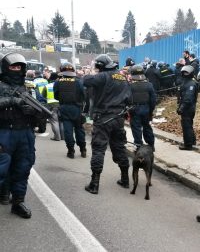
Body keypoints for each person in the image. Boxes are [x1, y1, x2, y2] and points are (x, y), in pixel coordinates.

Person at [0, 52, 45, 218]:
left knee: (23, 168)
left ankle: (18, 202)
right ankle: (4, 192)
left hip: (25, 133)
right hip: (4, 132)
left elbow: (42, 106)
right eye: (13, 66)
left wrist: (32, 111)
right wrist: (12, 101)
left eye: (19, 67)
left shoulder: (29, 87)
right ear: (6, 68)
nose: (16, 69)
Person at [83, 54, 132, 194]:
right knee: (119, 147)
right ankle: (125, 179)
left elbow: (85, 81)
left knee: (99, 149)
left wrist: (91, 72)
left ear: (99, 66)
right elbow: (130, 99)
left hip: (103, 118)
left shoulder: (102, 76)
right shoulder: (122, 77)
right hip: (118, 119)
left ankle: (94, 183)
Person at [53, 62, 87, 158]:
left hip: (64, 108)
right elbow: (84, 95)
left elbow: (56, 96)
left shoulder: (58, 81)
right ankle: (83, 149)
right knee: (79, 130)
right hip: (77, 108)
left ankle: (71, 151)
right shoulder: (79, 81)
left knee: (68, 131)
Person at [129, 65, 156, 151]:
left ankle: (138, 145)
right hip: (146, 108)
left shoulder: (130, 86)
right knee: (147, 126)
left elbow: (127, 99)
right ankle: (151, 144)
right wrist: (151, 110)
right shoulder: (149, 85)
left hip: (134, 109)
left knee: (136, 127)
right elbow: (153, 100)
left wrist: (128, 109)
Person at [177, 65, 198, 150]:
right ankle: (192, 141)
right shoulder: (187, 82)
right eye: (184, 72)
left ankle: (188, 145)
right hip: (187, 107)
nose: (185, 74)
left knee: (186, 126)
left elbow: (188, 98)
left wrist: (182, 108)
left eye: (186, 72)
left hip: (188, 108)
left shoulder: (191, 84)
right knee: (188, 125)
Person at [42, 72, 64, 141]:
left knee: (54, 121)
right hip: (61, 104)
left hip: (51, 105)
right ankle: (63, 137)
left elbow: (43, 95)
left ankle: (57, 137)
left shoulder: (47, 86)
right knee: (61, 121)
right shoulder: (61, 85)